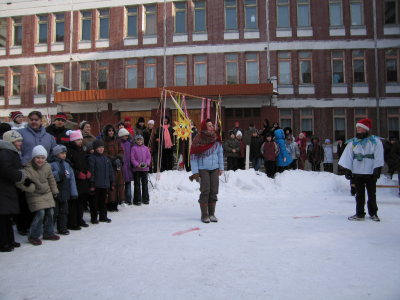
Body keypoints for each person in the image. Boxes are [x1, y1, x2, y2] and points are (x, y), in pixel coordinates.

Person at [17, 111, 56, 236]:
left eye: (36, 119)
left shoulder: (48, 136)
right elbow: (17, 150)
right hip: (26, 170)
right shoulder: (21, 133)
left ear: (41, 121)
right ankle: (24, 226)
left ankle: (42, 228)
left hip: (42, 170)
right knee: (25, 200)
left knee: (42, 201)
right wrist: (21, 162)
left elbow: (54, 151)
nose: (34, 122)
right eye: (31, 119)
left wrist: (50, 166)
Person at [338, 119, 384, 221]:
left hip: (370, 171)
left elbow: (379, 155)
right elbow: (349, 156)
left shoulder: (375, 141)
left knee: (371, 193)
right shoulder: (353, 142)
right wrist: (348, 169)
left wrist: (377, 168)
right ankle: (360, 213)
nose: (358, 128)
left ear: (366, 128)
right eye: (357, 127)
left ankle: (373, 213)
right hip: (357, 171)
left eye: (360, 127)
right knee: (359, 194)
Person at [16, 145, 60, 246]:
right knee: (40, 212)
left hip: (46, 193)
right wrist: (29, 187)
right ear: (33, 158)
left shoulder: (47, 166)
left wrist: (55, 191)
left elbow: (51, 180)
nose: (40, 160)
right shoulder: (27, 168)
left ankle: (49, 233)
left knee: (50, 212)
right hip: (34, 194)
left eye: (43, 158)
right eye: (38, 157)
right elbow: (19, 182)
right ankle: (33, 235)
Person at [189, 119, 224, 223]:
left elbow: (220, 154)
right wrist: (195, 172)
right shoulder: (198, 139)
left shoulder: (217, 138)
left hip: (214, 168)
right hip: (203, 168)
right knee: (205, 190)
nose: (212, 127)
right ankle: (204, 215)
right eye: (209, 126)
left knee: (214, 190)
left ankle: (212, 214)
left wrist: (221, 168)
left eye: (212, 125)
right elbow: (193, 156)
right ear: (204, 127)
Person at [0, 130, 26, 252]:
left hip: (8, 188)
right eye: (18, 140)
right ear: (10, 142)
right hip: (3, 188)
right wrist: (19, 175)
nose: (20, 143)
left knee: (8, 215)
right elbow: (5, 168)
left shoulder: (12, 152)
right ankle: (3, 243)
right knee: (3, 216)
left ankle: (9, 240)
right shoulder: (6, 152)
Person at [48, 145, 78, 235]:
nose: (64, 155)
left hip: (65, 192)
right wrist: (58, 174)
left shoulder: (67, 165)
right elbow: (48, 176)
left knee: (64, 211)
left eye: (65, 153)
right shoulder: (51, 164)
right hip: (55, 193)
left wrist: (73, 193)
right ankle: (49, 229)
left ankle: (62, 228)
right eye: (62, 153)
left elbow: (72, 180)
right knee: (54, 212)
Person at [66, 130, 91, 229]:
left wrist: (88, 171)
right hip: (75, 180)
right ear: (72, 140)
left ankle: (80, 219)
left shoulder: (81, 151)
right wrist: (77, 174)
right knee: (73, 203)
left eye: (81, 139)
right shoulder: (69, 151)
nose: (80, 141)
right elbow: (69, 166)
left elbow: (86, 162)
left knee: (81, 202)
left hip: (83, 180)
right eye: (78, 140)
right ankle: (73, 222)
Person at [88, 139, 115, 224]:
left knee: (103, 201)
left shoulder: (106, 158)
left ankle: (103, 216)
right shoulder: (92, 158)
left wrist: (111, 182)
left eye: (102, 147)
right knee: (94, 202)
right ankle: (94, 217)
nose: (101, 149)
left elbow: (110, 171)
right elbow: (91, 172)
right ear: (95, 148)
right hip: (96, 184)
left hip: (104, 184)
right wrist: (91, 183)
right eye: (99, 147)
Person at [102, 124, 125, 212]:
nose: (111, 132)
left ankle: (116, 203)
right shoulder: (104, 142)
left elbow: (121, 151)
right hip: (110, 166)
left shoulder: (117, 141)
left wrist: (119, 159)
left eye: (112, 131)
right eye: (109, 131)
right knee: (111, 185)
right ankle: (110, 204)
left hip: (118, 167)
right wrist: (113, 159)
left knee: (118, 184)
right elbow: (105, 153)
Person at [131, 135, 151, 205]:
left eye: (141, 140)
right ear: (136, 141)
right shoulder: (133, 148)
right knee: (137, 184)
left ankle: (145, 198)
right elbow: (132, 158)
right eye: (138, 140)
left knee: (145, 184)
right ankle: (137, 199)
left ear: (142, 141)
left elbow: (148, 157)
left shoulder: (146, 148)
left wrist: (147, 164)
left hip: (145, 169)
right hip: (137, 169)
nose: (139, 141)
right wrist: (137, 165)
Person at [119, 128, 134, 205]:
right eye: (125, 136)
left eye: (127, 136)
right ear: (121, 136)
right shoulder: (118, 143)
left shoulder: (129, 144)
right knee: (121, 183)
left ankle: (128, 199)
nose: (126, 137)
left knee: (128, 182)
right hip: (122, 165)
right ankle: (121, 198)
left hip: (128, 165)